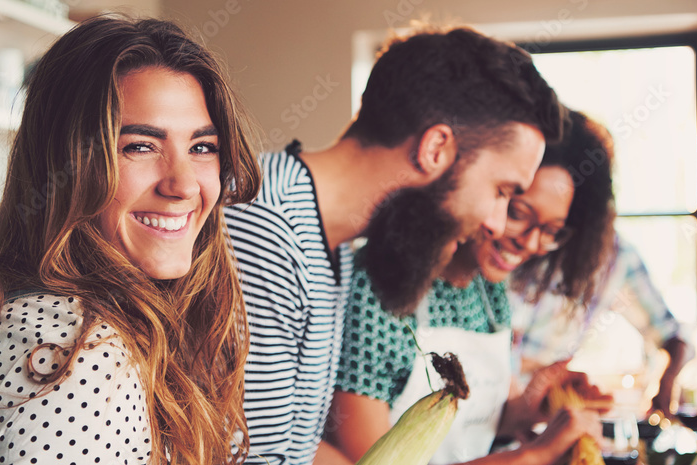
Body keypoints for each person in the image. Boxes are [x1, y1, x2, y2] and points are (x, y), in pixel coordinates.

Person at [0, 17, 260, 465]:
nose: (184, 185)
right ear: (65, 166)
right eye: (139, 146)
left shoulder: (41, 317)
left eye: (202, 147)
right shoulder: (76, 363)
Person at [225, 25, 564, 465]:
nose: (496, 225)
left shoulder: (330, 244)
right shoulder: (267, 228)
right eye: (501, 191)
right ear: (436, 148)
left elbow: (291, 449)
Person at [330, 111, 616, 464]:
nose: (529, 243)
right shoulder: (380, 287)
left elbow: (485, 418)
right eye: (518, 213)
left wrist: (539, 406)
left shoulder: (488, 291)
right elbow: (369, 462)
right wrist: (533, 456)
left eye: (551, 231)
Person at [511, 232, 691, 417]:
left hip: (536, 411)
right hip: (498, 405)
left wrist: (666, 381)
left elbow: (670, 333)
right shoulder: (527, 238)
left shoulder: (618, 256)